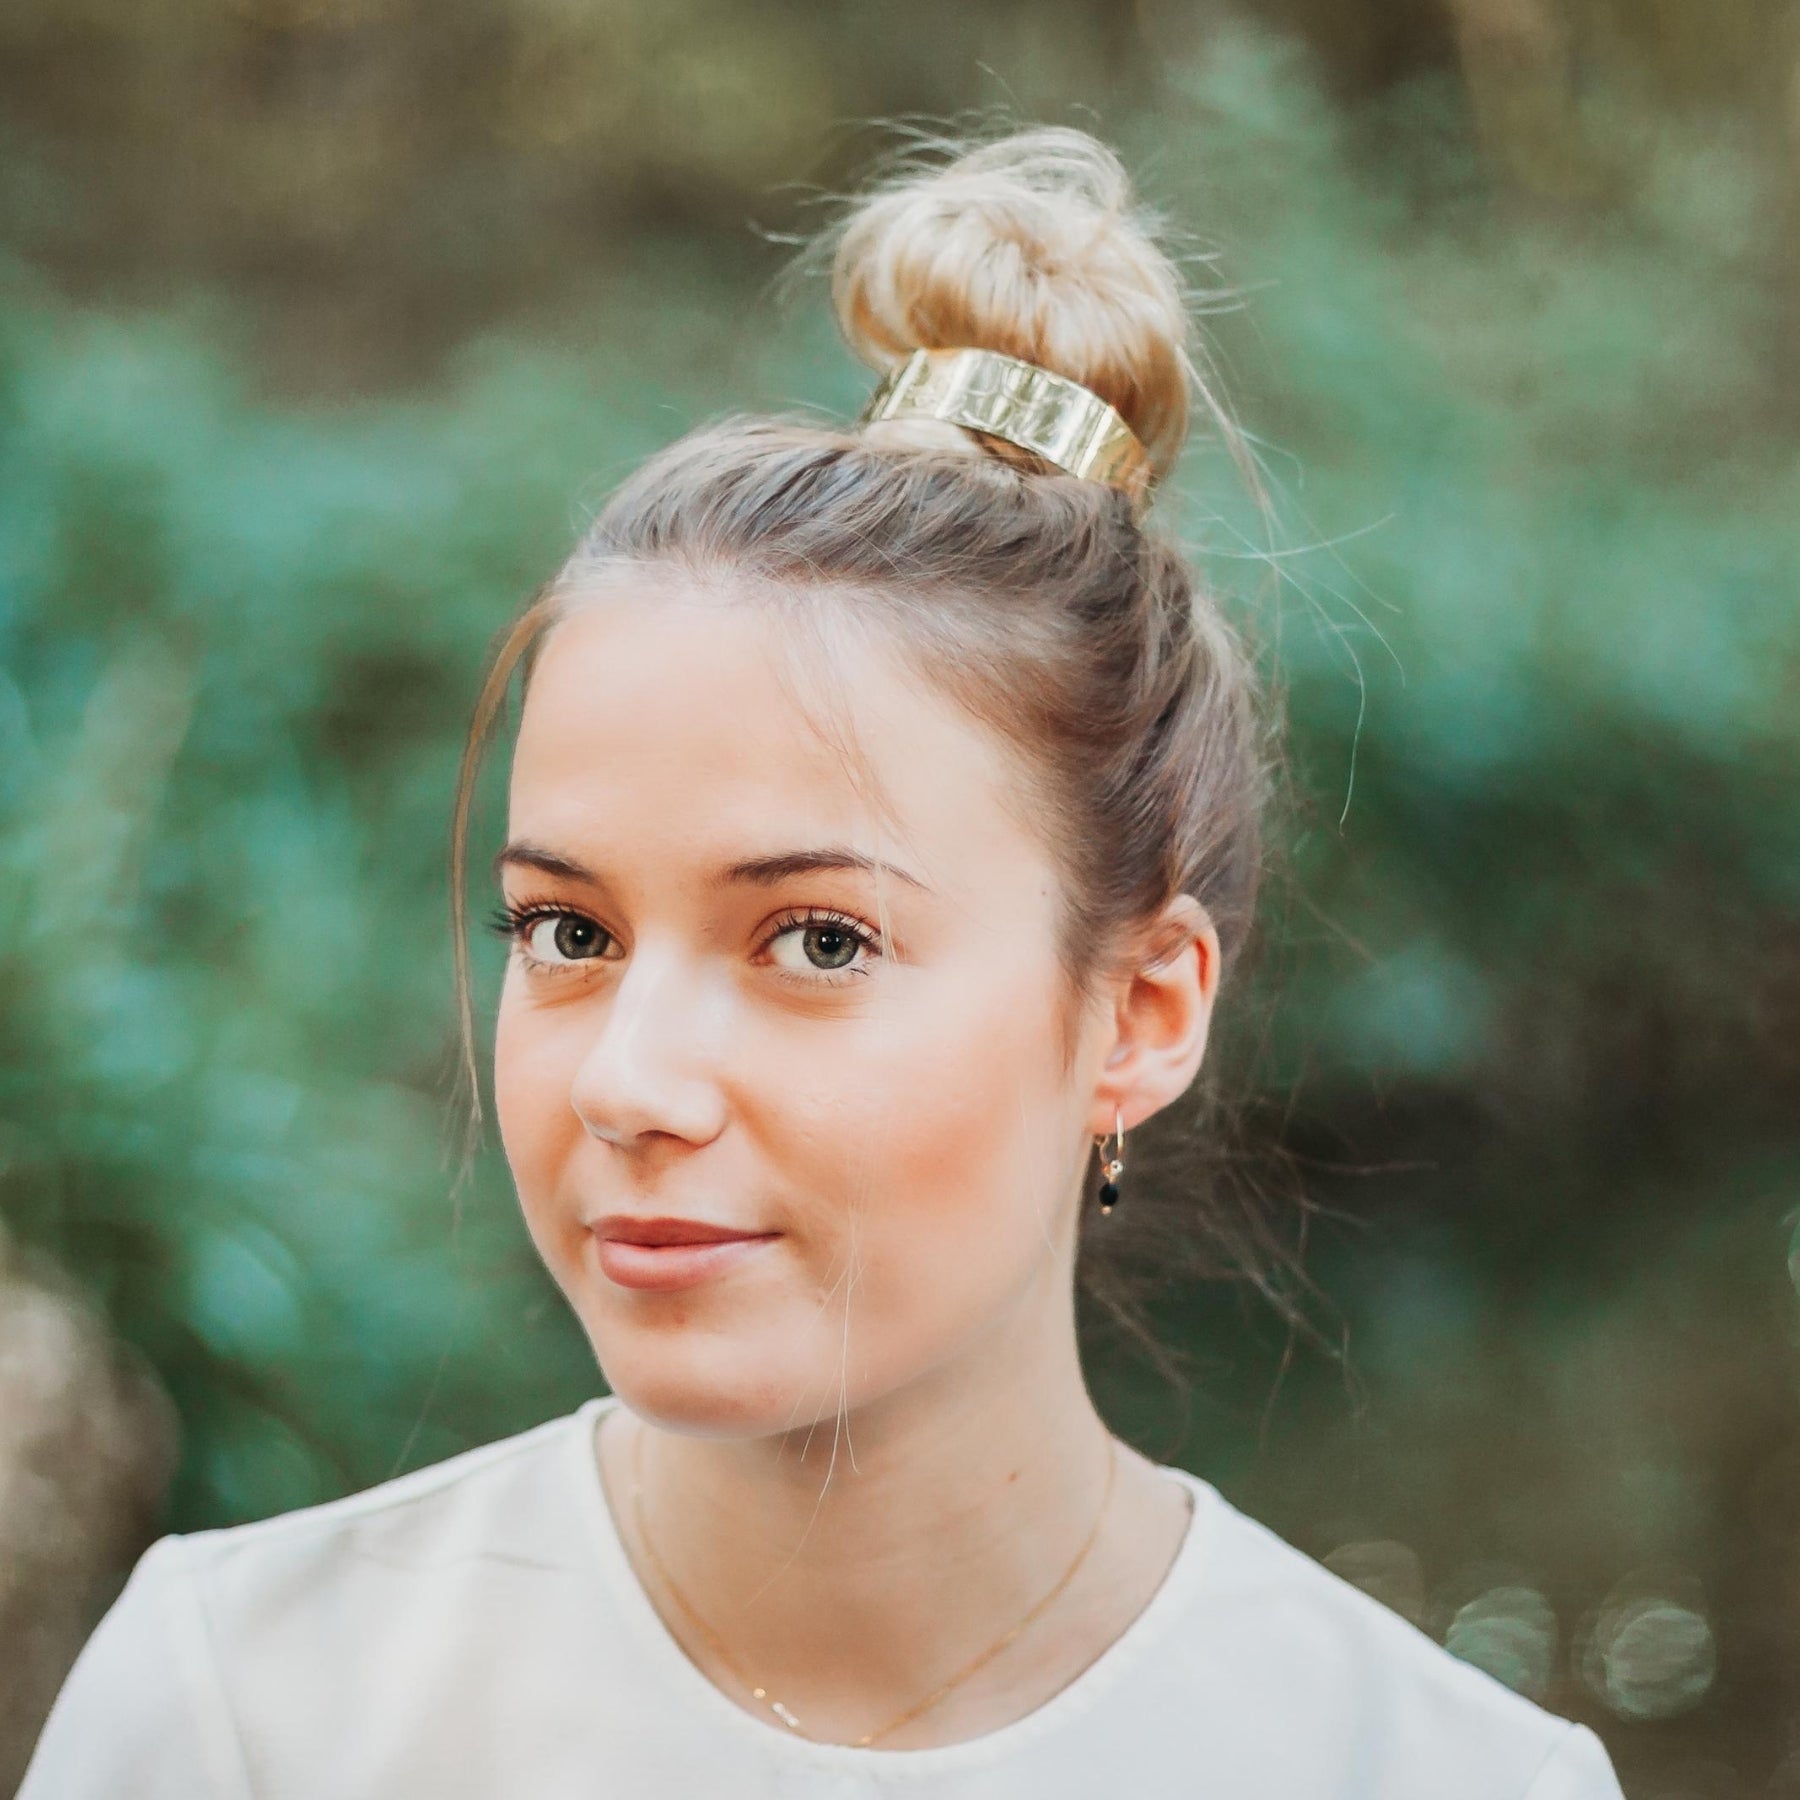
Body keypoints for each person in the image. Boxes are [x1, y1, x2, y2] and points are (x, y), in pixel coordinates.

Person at [18, 126, 1627, 1798]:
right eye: (569, 933)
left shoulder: (1437, 1774)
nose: (629, 1082)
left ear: (1139, 1016)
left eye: (819, 940)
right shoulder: (242, 1714)